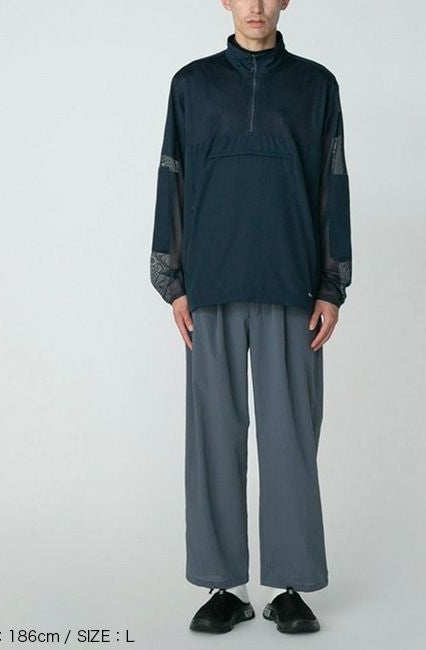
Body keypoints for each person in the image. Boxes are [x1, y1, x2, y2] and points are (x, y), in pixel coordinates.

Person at [150, 0, 352, 635]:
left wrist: (332, 284)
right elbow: (172, 179)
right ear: (226, 1)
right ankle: (223, 587)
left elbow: (333, 184)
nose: (257, 6)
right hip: (210, 286)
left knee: (291, 438)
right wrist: (173, 281)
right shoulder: (193, 85)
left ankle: (291, 586)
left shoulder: (316, 86)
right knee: (213, 437)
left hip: (292, 285)